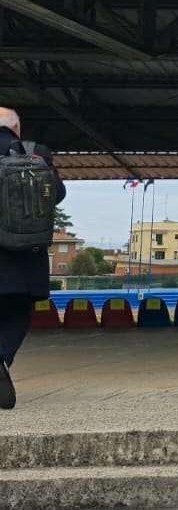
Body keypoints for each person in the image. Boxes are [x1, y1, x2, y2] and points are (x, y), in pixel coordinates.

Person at [0, 107, 66, 410]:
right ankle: (1, 356)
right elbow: (58, 194)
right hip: (25, 256)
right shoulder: (35, 151)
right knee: (18, 313)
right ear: (16, 128)